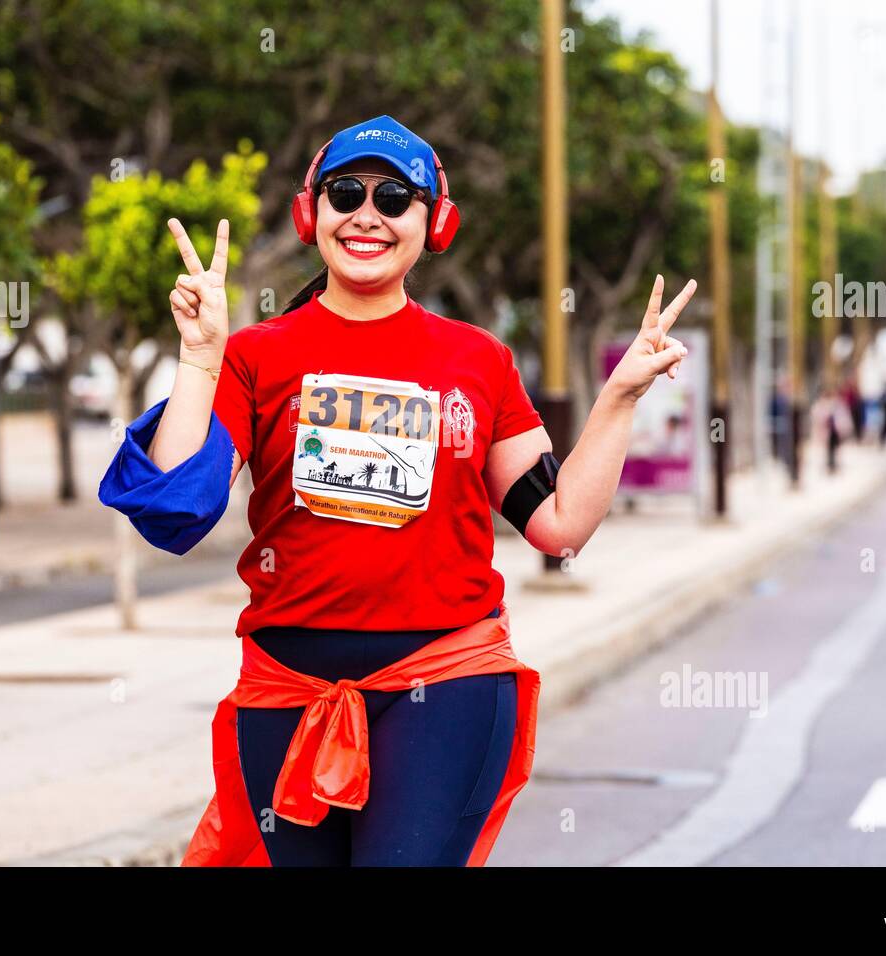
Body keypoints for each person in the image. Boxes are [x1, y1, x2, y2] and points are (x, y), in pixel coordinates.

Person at [98, 115, 694, 867]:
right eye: (347, 192)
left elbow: (559, 524)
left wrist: (619, 399)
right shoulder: (255, 357)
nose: (367, 215)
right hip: (285, 693)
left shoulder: (479, 361)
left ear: (433, 221)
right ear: (311, 212)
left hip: (442, 685)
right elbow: (175, 510)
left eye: (395, 198)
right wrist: (200, 357)